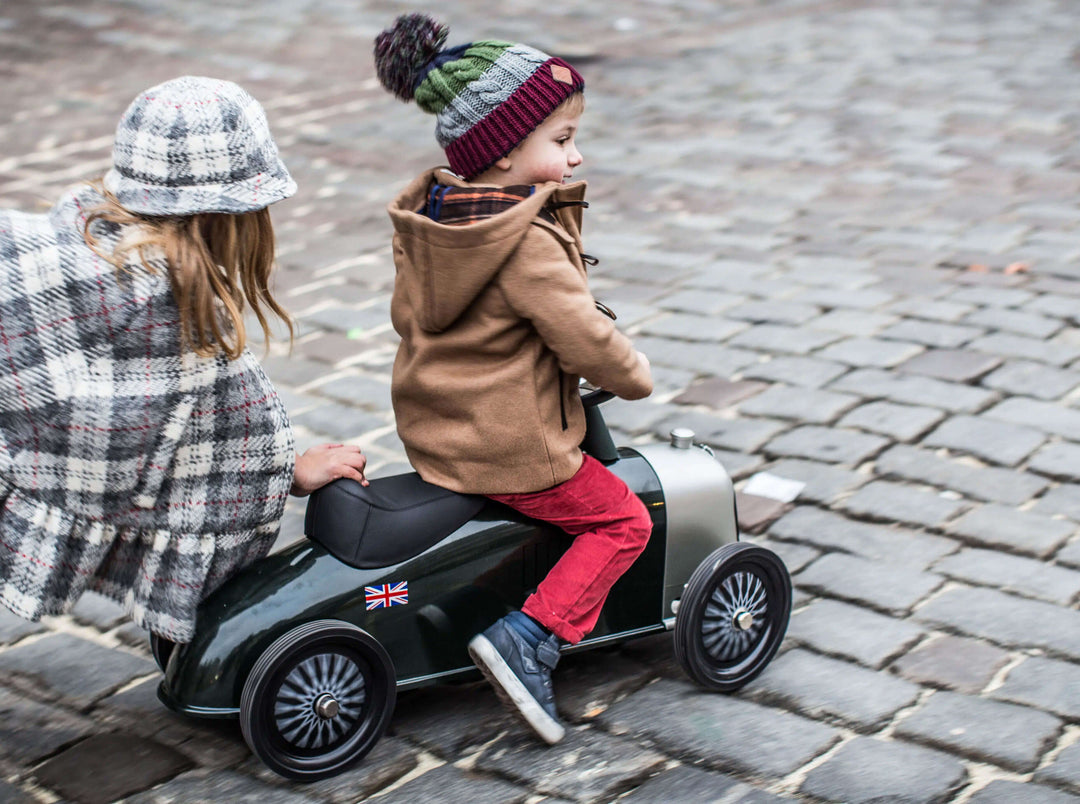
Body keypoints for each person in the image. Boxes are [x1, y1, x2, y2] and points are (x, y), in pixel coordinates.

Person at [0, 76, 368, 645]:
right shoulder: (172, 316)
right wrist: (285, 473)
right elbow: (232, 439)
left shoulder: (63, 250)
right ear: (236, 218)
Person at [375, 15, 653, 744]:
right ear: (501, 152)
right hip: (510, 447)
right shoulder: (524, 242)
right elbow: (584, 337)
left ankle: (483, 601)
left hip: (440, 434)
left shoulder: (435, 223)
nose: (576, 154)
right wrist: (632, 374)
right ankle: (530, 639)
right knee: (622, 520)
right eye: (560, 142)